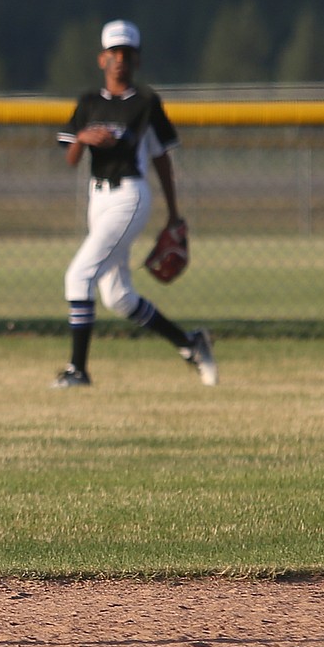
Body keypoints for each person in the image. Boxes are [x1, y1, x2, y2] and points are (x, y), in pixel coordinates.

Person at [53, 20, 218, 388]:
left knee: (78, 276)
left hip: (130, 196)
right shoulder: (88, 103)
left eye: (127, 53)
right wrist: (82, 137)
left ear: (136, 59)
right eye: (114, 53)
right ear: (102, 58)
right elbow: (70, 156)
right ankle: (190, 343)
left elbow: (161, 159)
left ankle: (78, 371)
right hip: (97, 198)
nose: (120, 60)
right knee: (118, 295)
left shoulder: (145, 103)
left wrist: (174, 215)